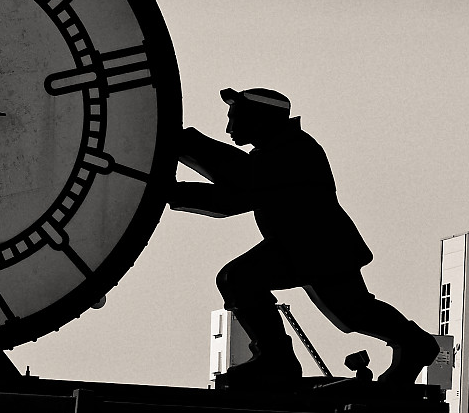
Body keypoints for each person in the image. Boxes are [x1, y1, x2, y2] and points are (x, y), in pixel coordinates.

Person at [175, 87, 440, 386]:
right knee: (353, 310)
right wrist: (170, 188)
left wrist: (183, 143)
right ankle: (414, 344)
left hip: (316, 249)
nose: (229, 129)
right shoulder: (275, 153)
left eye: (236, 119)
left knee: (241, 280)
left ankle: (277, 359)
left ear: (260, 119)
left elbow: (242, 179)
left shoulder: (294, 150)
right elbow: (233, 198)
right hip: (310, 249)